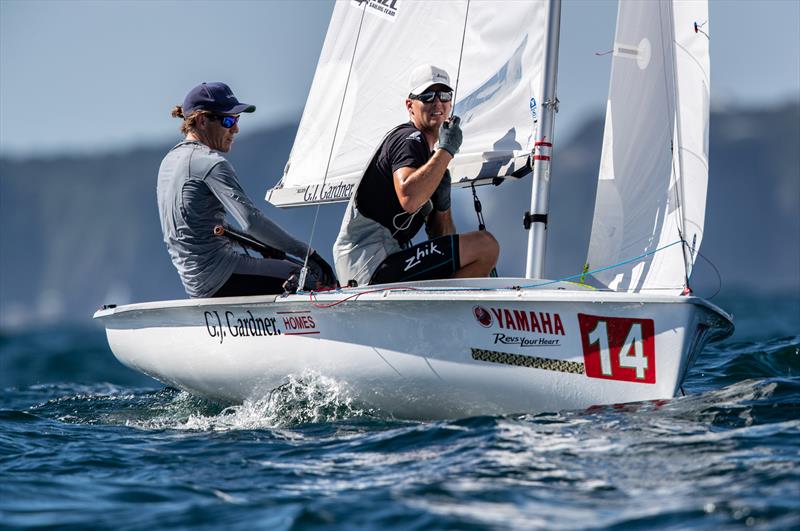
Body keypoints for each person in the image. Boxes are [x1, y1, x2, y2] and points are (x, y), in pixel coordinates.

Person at [157, 82, 336, 298]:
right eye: (228, 120)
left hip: (194, 282)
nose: (236, 129)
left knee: (282, 267)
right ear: (202, 121)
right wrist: (309, 253)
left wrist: (264, 247)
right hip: (220, 275)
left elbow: (196, 227)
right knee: (312, 277)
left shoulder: (168, 162)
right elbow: (252, 222)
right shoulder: (209, 163)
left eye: (237, 120)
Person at [333, 65, 499, 286]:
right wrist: (446, 150)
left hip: (380, 263)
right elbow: (410, 199)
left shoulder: (430, 163)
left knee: (474, 258)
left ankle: (441, 315)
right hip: (370, 264)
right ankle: (443, 318)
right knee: (485, 246)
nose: (437, 102)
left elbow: (442, 240)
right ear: (410, 105)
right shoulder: (409, 139)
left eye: (444, 95)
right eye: (428, 96)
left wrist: (442, 206)